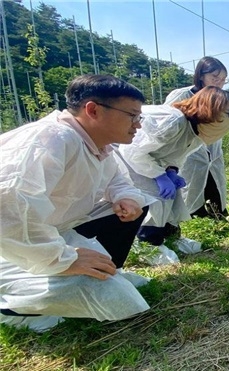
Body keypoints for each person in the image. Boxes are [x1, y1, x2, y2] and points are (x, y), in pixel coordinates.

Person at [0, 74, 153, 332]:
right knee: (116, 298)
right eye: (132, 115)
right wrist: (64, 259)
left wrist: (126, 198)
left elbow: (118, 181)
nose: (137, 125)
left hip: (50, 233)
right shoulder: (52, 138)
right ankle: (12, 307)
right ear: (93, 110)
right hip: (13, 244)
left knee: (138, 205)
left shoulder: (98, 146)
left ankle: (104, 269)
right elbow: (10, 208)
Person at [116, 86, 229, 262]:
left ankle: (171, 236)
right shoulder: (173, 121)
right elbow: (132, 150)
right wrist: (159, 176)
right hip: (126, 157)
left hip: (149, 161)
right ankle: (147, 244)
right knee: (155, 195)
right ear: (211, 107)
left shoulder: (198, 132)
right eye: (228, 113)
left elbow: (177, 155)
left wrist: (171, 172)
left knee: (174, 195)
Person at [164, 56, 229, 226]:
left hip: (212, 147)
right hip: (189, 148)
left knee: (215, 181)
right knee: (192, 180)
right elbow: (168, 121)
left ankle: (219, 213)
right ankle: (192, 215)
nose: (219, 83)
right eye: (215, 78)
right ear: (201, 76)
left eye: (222, 80)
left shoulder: (221, 99)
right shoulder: (183, 94)